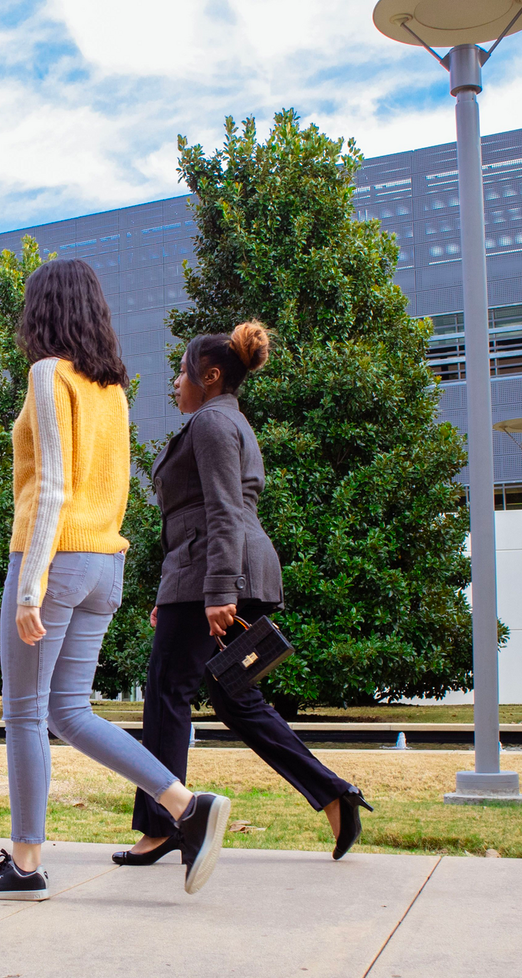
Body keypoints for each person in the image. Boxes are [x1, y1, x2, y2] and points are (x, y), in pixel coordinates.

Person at [0, 258, 231, 902]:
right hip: (106, 563)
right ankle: (186, 806)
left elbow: (52, 486)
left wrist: (29, 585)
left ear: (41, 310)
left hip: (53, 559)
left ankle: (24, 865)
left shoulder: (49, 375)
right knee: (69, 711)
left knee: (24, 712)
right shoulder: (112, 390)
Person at [116, 322, 372, 868]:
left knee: (166, 692)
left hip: (215, 572)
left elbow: (224, 511)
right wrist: (181, 589)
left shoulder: (211, 421)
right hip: (211, 572)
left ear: (209, 377)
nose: (175, 384)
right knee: (235, 698)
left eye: (181, 374)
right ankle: (333, 795)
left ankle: (164, 826)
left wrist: (216, 591)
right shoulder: (224, 420)